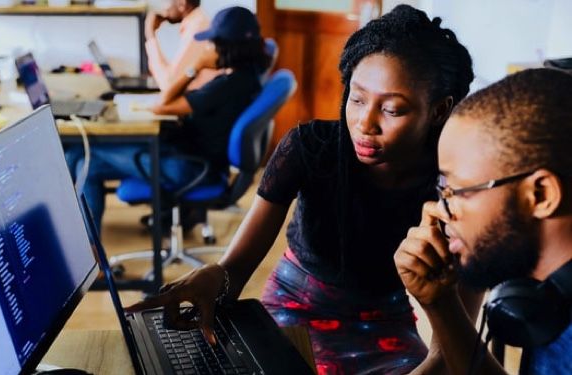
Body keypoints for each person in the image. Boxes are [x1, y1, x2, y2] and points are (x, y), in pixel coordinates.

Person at [127, 5, 477, 374]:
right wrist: (217, 277)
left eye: (391, 110)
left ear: (439, 111)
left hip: (384, 323)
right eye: (356, 99)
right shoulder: (309, 149)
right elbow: (236, 269)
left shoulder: (457, 189)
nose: (364, 123)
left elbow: (450, 352)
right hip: (293, 306)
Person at [394, 68, 572, 374]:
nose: (440, 209)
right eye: (441, 189)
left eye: (457, 190)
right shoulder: (546, 296)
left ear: (540, 195)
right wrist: (440, 302)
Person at [71, 6, 271, 236]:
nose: (207, 48)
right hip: (196, 160)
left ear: (226, 47)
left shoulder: (226, 86)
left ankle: (90, 253)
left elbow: (162, 104)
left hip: (189, 168)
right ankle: (88, 248)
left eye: (211, 43)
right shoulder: (248, 77)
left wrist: (193, 67)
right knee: (79, 158)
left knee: (84, 160)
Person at [145, 0, 218, 91]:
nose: (163, 9)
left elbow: (169, 85)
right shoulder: (196, 23)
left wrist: (150, 34)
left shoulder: (196, 29)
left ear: (182, 4)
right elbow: (173, 75)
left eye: (166, 2)